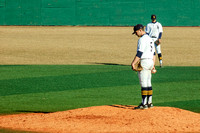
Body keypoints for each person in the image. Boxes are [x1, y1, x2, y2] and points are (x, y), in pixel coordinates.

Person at [131, 24, 156, 109]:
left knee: (143, 83)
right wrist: (153, 65)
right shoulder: (150, 39)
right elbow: (154, 54)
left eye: (136, 32)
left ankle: (144, 104)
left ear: (140, 30)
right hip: (150, 61)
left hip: (144, 61)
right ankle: (150, 102)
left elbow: (139, 53)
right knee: (148, 82)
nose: (136, 34)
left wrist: (133, 63)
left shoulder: (142, 39)